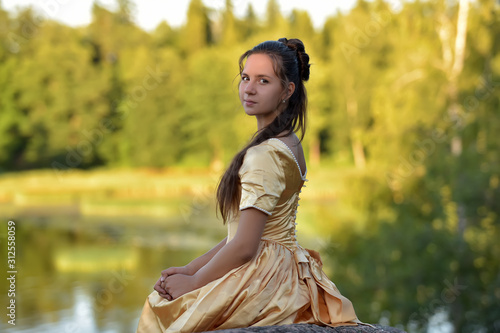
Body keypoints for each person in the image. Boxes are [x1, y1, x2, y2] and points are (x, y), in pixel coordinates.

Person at [136, 38, 362, 332]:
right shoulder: (290, 143)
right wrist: (192, 268)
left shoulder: (264, 155)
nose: (249, 88)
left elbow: (245, 246)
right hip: (284, 269)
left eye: (263, 80)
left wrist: (194, 282)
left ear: (287, 90)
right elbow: (242, 233)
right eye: (245, 78)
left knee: (161, 308)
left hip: (262, 276)